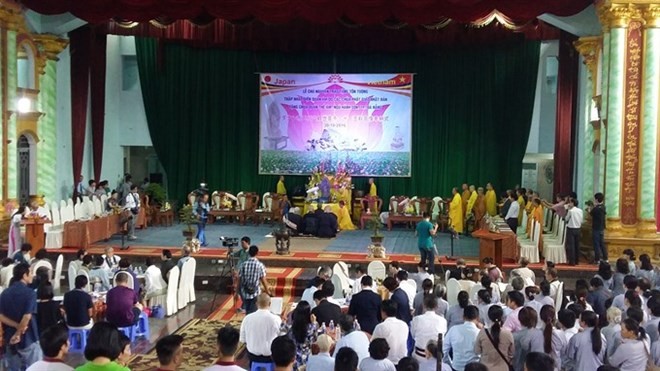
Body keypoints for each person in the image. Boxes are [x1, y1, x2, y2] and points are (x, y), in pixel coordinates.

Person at [0, 263, 42, 370]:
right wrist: (18, 332)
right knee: (36, 367)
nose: (32, 275)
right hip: (28, 338)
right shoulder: (30, 293)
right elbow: (27, 317)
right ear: (24, 275)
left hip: (9, 337)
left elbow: (1, 316)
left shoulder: (5, 293)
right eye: (31, 273)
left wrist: (16, 326)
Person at [240, 293, 282, 366]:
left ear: (256, 304)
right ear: (270, 304)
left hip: (252, 356)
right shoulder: (276, 319)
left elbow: (242, 339)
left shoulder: (247, 318)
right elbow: (282, 337)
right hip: (270, 356)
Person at [474, 305, 513, 371]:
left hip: (486, 368)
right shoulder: (508, 334)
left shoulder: (483, 333)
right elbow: (511, 353)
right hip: (503, 367)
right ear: (502, 317)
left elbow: (477, 351)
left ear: (489, 317)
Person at [443, 305, 481, 371]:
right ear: (478, 318)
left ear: (463, 317)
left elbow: (444, 349)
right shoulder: (480, 333)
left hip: (457, 367)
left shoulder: (453, 329)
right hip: (475, 368)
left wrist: (449, 363)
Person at [411, 295, 447, 363]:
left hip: (419, 356)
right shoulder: (443, 321)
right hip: (436, 358)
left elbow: (413, 336)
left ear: (423, 305)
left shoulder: (416, 319)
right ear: (437, 307)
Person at [372, 300, 409, 365]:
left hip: (387, 362)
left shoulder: (381, 327)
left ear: (383, 312)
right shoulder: (404, 325)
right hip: (403, 361)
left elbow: (373, 343)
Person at [237, 245, 271, 314]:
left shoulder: (243, 265)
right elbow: (263, 280)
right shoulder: (260, 265)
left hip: (245, 292)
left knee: (248, 310)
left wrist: (237, 291)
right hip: (255, 292)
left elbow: (239, 279)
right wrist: (268, 291)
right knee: (254, 311)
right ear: (257, 253)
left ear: (249, 253)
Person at [539, 305, 566, 370]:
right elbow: (564, 351)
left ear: (540, 317)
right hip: (556, 367)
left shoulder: (537, 333)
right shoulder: (560, 333)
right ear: (554, 317)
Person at [564, 198, 583, 266]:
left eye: (570, 202)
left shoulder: (571, 211)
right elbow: (581, 220)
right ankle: (577, 260)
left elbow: (566, 218)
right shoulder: (580, 210)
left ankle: (572, 261)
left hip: (571, 228)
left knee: (571, 246)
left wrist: (567, 210)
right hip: (578, 228)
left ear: (572, 203)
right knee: (577, 245)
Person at [589, 193, 607, 263]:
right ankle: (605, 257)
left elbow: (591, 213)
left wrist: (590, 209)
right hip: (601, 228)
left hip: (596, 228)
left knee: (596, 244)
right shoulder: (603, 207)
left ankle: (597, 259)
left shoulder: (596, 208)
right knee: (602, 243)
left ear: (596, 199)